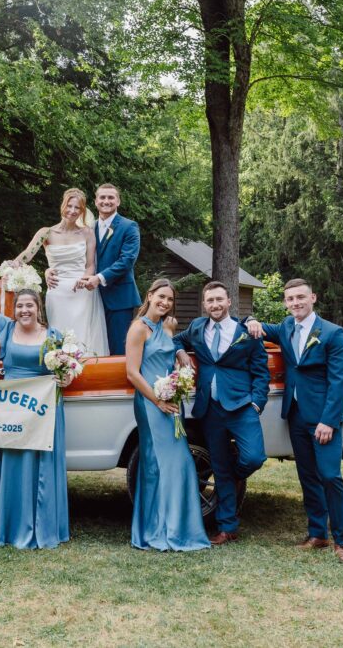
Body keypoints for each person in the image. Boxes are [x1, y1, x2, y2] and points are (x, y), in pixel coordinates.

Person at [245, 278, 343, 561]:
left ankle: (341, 540)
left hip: (323, 418)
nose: (295, 303)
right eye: (290, 299)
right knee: (307, 476)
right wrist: (252, 319)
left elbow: (339, 381)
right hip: (294, 416)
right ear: (285, 302)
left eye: (300, 297)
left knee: (329, 476)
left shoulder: (333, 333)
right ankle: (317, 533)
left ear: (313, 298)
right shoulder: (286, 327)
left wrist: (328, 421)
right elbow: (253, 326)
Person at [0, 291, 70, 549]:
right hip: (12, 407)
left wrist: (67, 378)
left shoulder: (54, 336)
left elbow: (68, 369)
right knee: (13, 463)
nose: (25, 310)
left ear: (39, 308)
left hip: (43, 407)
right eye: (20, 306)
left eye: (30, 305)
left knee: (42, 465)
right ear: (15, 310)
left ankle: (44, 527)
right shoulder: (5, 326)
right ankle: (11, 526)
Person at [173, 281, 269, 544]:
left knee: (254, 458)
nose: (215, 305)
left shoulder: (246, 331)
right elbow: (173, 340)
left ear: (229, 302)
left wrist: (256, 403)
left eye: (219, 300)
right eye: (210, 301)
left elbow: (262, 373)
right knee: (219, 464)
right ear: (204, 305)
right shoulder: (196, 327)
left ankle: (232, 475)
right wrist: (181, 351)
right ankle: (227, 527)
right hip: (209, 409)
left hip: (241, 406)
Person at [125, 278, 210, 551]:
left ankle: (177, 527)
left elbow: (168, 354)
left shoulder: (168, 326)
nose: (165, 302)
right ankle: (154, 530)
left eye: (170, 299)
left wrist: (180, 353)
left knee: (181, 463)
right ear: (149, 295)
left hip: (171, 399)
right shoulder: (138, 329)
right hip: (151, 403)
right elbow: (132, 372)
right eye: (160, 297)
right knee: (157, 465)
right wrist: (157, 401)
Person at [11, 188, 109, 356]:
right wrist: (6, 267)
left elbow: (90, 265)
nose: (72, 211)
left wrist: (85, 279)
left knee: (82, 337)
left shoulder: (87, 233)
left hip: (81, 292)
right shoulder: (46, 233)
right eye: (69, 206)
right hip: (57, 292)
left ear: (82, 211)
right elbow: (26, 256)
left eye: (77, 208)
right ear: (62, 205)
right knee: (59, 335)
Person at [54, 183, 140, 356]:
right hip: (89, 299)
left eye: (111, 197)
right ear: (96, 201)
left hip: (118, 300)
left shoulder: (128, 226)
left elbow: (127, 260)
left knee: (117, 349)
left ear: (118, 201)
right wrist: (49, 271)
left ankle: (118, 383)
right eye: (102, 197)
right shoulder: (87, 228)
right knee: (91, 347)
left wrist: (99, 278)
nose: (106, 201)